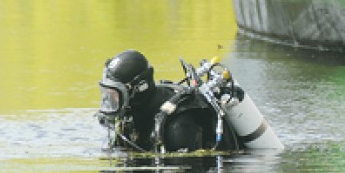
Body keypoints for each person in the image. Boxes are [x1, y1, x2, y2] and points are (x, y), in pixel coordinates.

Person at [97, 49, 239, 152]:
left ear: (139, 89)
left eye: (114, 95)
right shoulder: (130, 115)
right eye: (107, 94)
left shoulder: (177, 128)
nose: (110, 101)